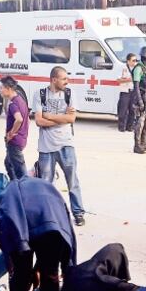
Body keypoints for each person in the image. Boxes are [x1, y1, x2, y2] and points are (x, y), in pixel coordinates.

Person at [0, 175, 76, 291]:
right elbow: (64, 222)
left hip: (24, 225)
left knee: (20, 272)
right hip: (52, 227)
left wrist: (13, 261)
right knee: (50, 275)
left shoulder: (8, 193)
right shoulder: (48, 189)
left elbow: (6, 233)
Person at [33, 66, 85, 226]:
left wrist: (49, 115)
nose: (67, 81)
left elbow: (71, 119)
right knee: (45, 184)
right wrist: (60, 117)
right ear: (54, 79)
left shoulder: (69, 94)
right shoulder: (40, 94)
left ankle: (78, 213)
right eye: (63, 79)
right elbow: (39, 121)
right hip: (46, 147)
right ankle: (46, 214)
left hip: (66, 144)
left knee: (72, 181)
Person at [0, 76, 28, 180]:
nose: (0, 90)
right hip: (21, 139)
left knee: (20, 171)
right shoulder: (21, 100)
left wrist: (11, 133)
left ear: (9, 89)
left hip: (14, 141)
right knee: (8, 163)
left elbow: (19, 119)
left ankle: (23, 189)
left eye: (2, 88)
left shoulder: (13, 104)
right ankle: (14, 185)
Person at [117, 53, 137, 132]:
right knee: (123, 110)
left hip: (133, 91)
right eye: (133, 60)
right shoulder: (122, 68)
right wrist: (128, 80)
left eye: (136, 60)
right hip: (125, 91)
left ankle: (130, 127)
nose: (135, 62)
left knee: (132, 110)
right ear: (128, 61)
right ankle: (121, 127)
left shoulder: (136, 68)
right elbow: (118, 80)